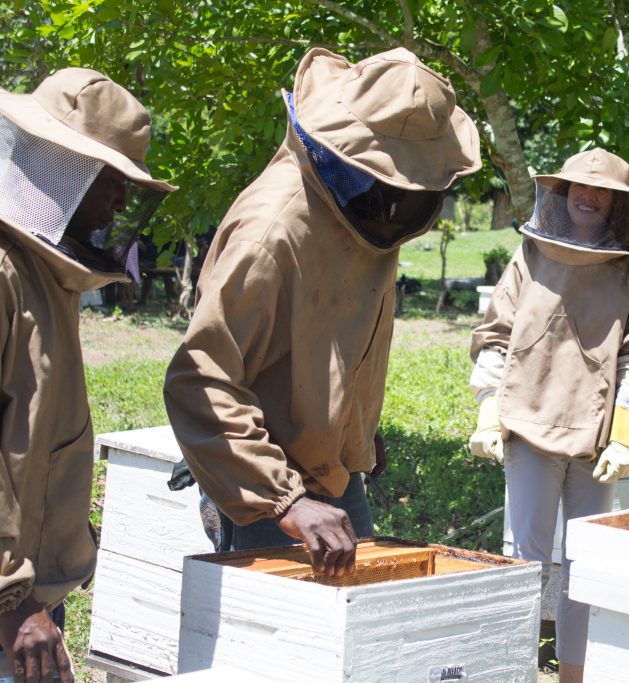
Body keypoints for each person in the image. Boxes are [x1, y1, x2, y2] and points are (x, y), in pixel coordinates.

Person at [163, 47, 481, 576]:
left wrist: (354, 427)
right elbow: (200, 381)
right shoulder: (270, 234)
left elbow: (327, 336)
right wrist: (285, 502)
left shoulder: (374, 205)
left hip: (332, 468)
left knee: (358, 609)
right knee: (278, 625)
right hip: (268, 480)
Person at [0, 68, 175, 682]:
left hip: (21, 597)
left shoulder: (38, 265)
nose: (121, 204)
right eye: (112, 182)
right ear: (64, 169)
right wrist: (6, 602)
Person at [469, 148, 629, 681]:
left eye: (602, 191)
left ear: (620, 204)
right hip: (529, 427)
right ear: (562, 192)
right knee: (525, 562)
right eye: (580, 186)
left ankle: (573, 677)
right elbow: (497, 338)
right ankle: (514, 672)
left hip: (597, 442)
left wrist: (625, 436)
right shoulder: (530, 253)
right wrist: (489, 413)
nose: (589, 196)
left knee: (584, 566)